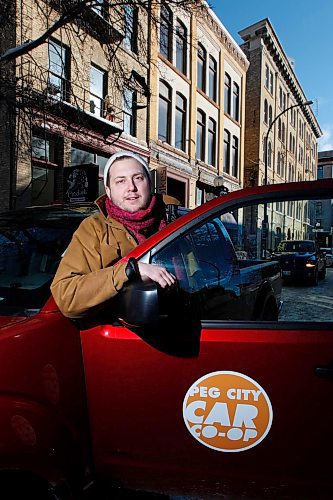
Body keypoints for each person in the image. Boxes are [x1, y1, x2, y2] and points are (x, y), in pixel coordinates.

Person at [51, 151, 177, 319]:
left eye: (138, 178)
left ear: (150, 183)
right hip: (121, 336)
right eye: (121, 181)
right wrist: (130, 271)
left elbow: (197, 277)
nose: (131, 187)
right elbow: (67, 295)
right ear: (108, 191)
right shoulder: (94, 229)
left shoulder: (174, 222)